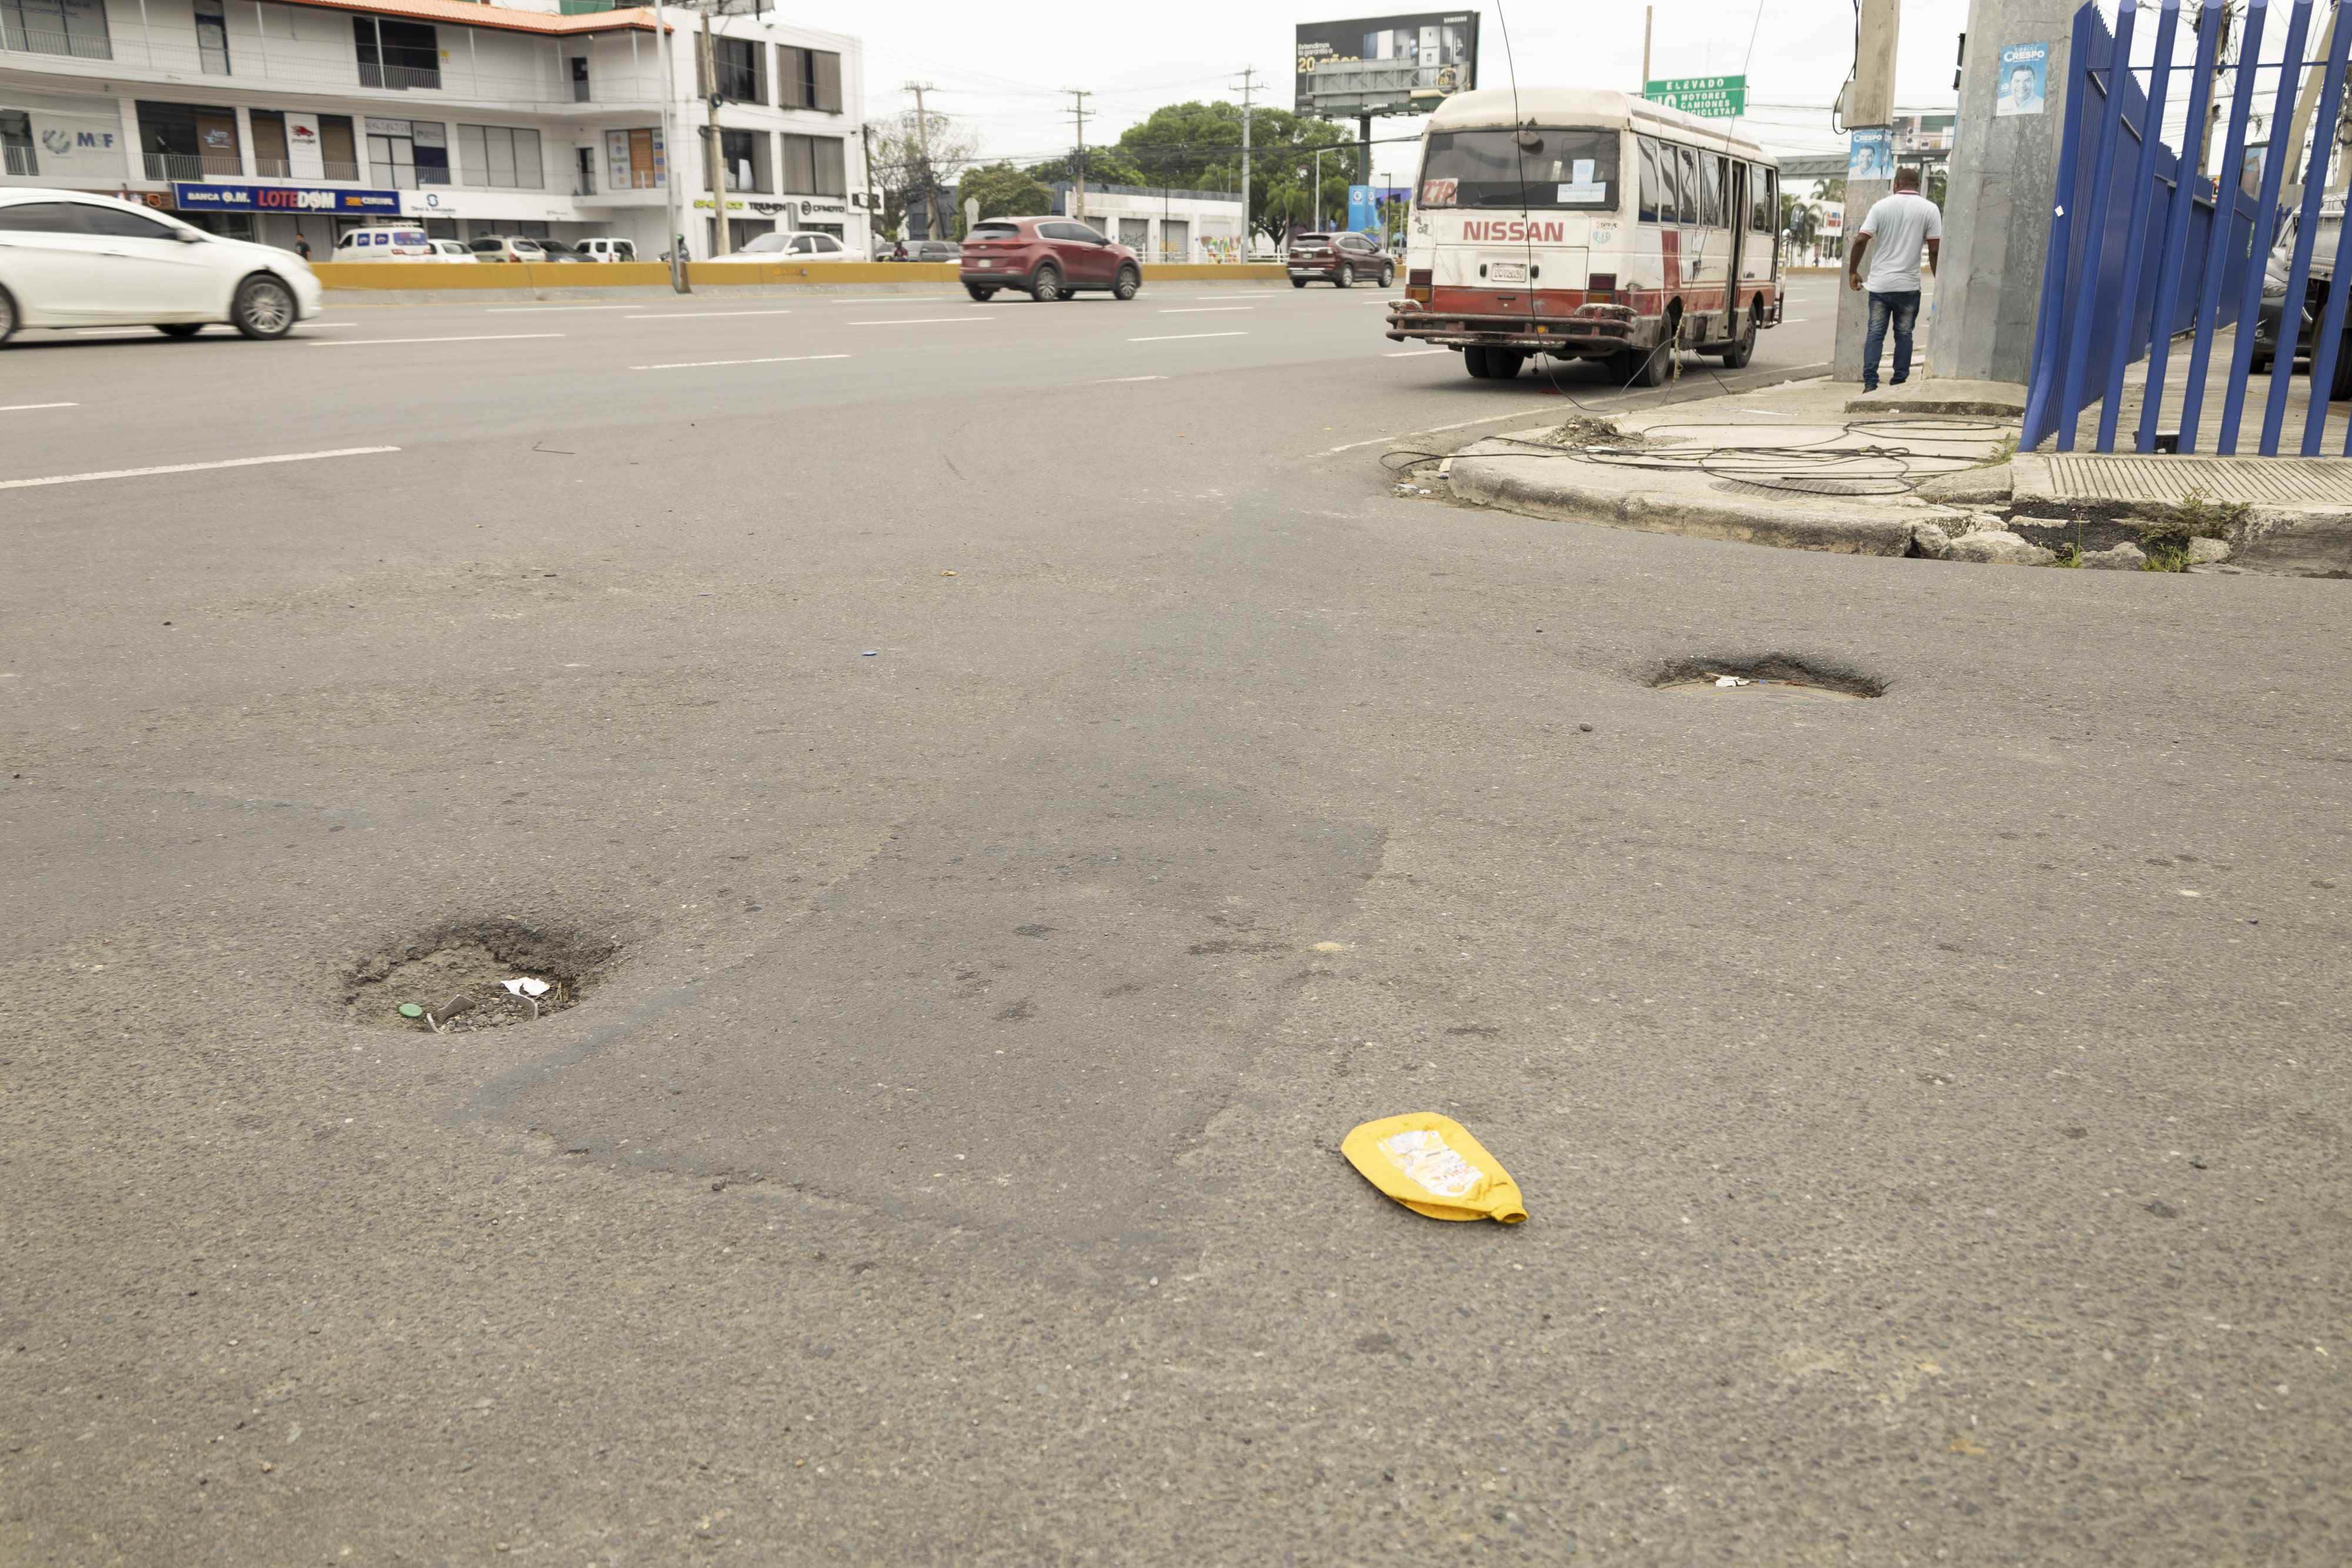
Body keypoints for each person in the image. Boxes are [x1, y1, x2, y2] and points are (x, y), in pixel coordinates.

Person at [1846, 166, 1942, 393]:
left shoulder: (1880, 207)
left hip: (1880, 285)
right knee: (1904, 334)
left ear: (1896, 184)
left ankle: (1870, 383)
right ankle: (1898, 383)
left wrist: (1853, 271)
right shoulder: (1930, 210)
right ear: (1917, 185)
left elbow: (1861, 240)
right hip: (1908, 287)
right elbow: (1935, 250)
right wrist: (1939, 282)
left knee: (1875, 333)